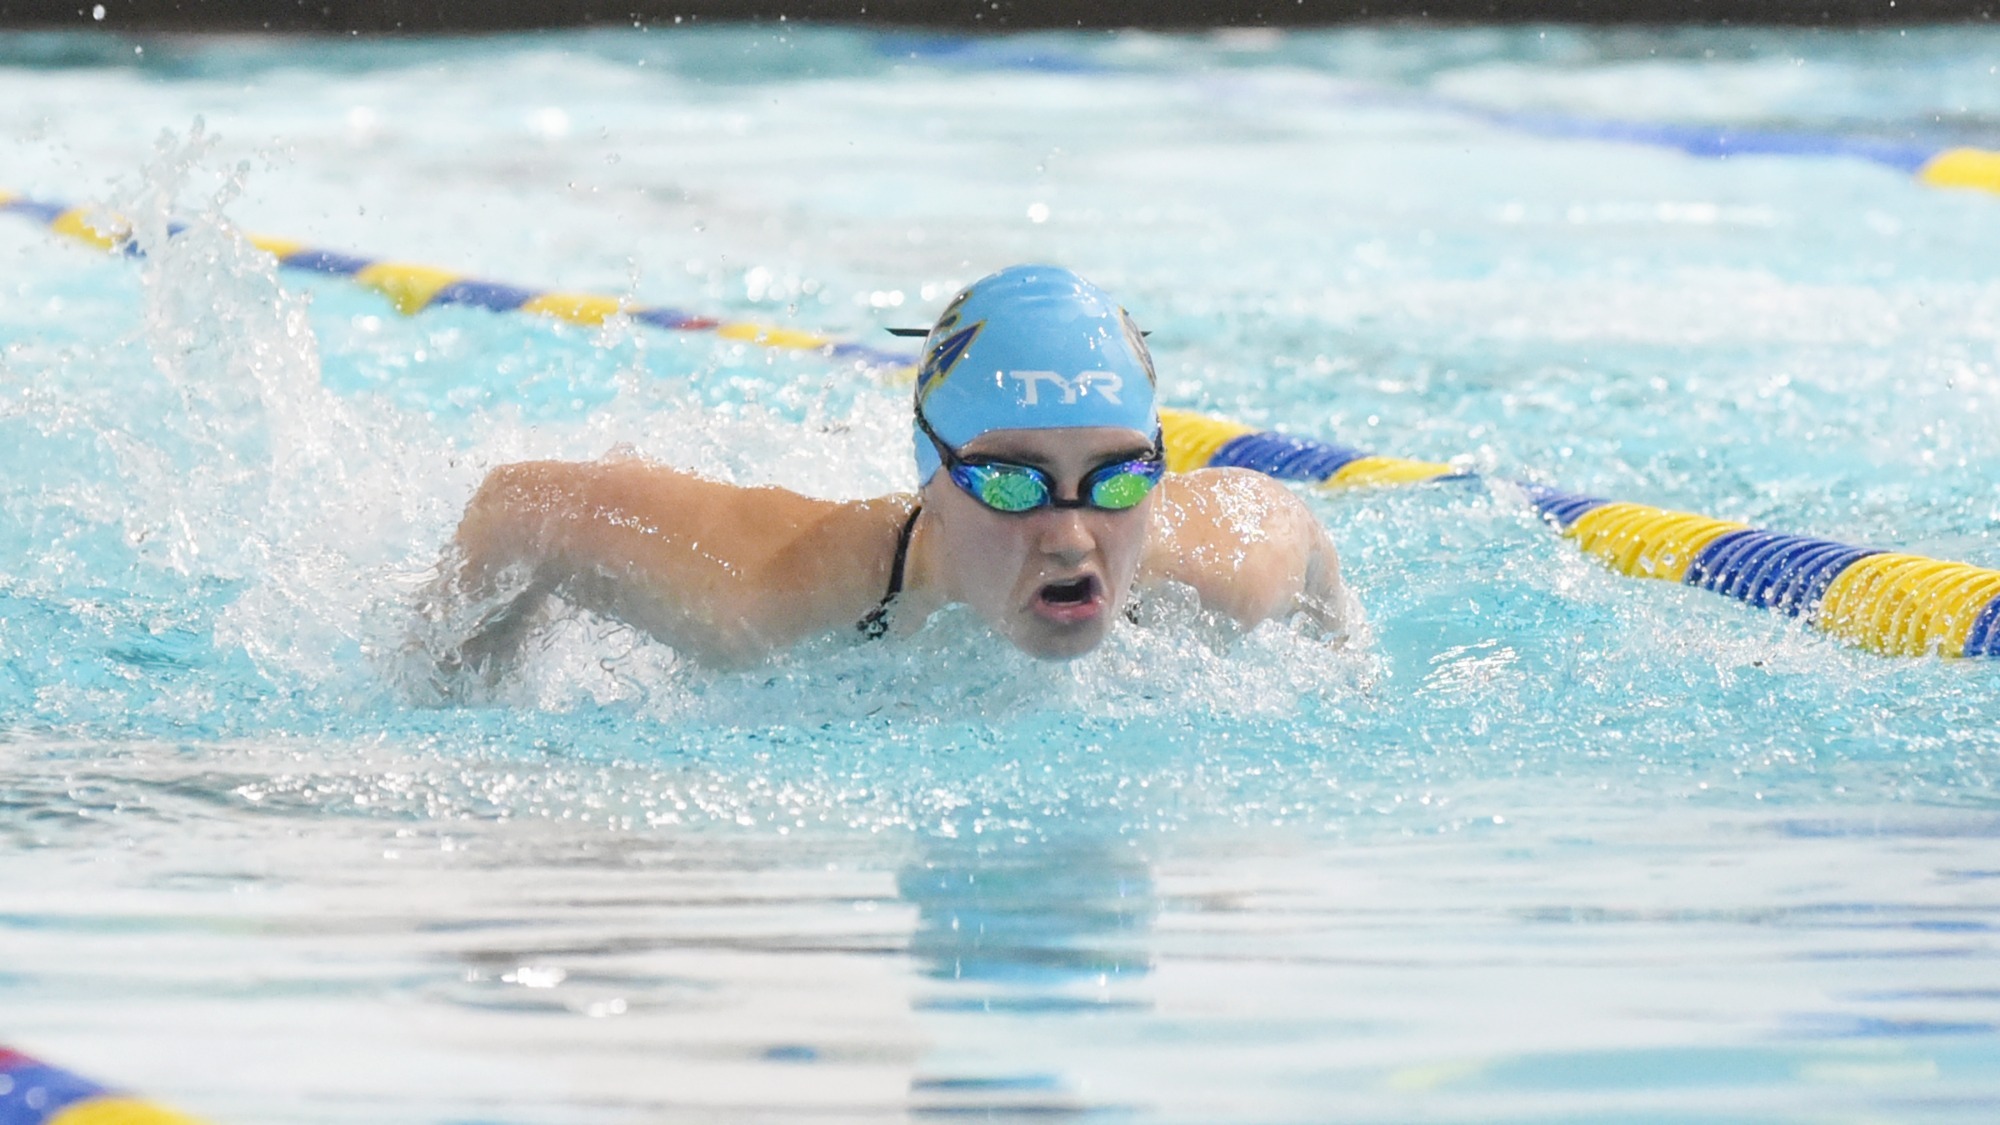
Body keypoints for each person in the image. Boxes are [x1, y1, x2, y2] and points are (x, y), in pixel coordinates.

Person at [421, 265, 1347, 682]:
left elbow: (1299, 533)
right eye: (1014, 482)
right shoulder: (773, 596)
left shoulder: (1219, 570)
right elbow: (519, 508)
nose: (1071, 533)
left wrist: (1350, 675)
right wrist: (447, 703)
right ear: (932, 480)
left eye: (1112, 480)